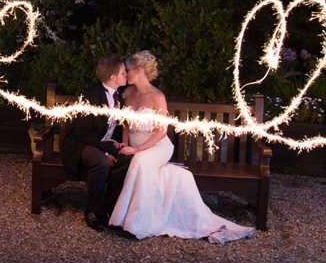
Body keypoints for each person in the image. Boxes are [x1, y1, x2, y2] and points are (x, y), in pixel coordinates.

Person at [108, 51, 255, 244]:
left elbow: (161, 131)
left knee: (140, 161)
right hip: (135, 146)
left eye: (128, 70)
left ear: (139, 70)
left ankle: (137, 225)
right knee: (137, 161)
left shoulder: (157, 96)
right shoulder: (127, 93)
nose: (125, 74)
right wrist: (126, 145)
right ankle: (119, 218)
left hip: (157, 146)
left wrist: (138, 150)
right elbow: (126, 125)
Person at [61, 54, 133, 232]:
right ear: (112, 77)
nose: (127, 74)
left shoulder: (118, 95)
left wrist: (116, 143)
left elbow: (110, 125)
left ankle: (110, 208)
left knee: (126, 158)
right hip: (81, 144)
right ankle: (93, 211)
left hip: (102, 142)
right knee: (101, 161)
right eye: (124, 72)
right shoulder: (90, 95)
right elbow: (82, 131)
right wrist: (105, 152)